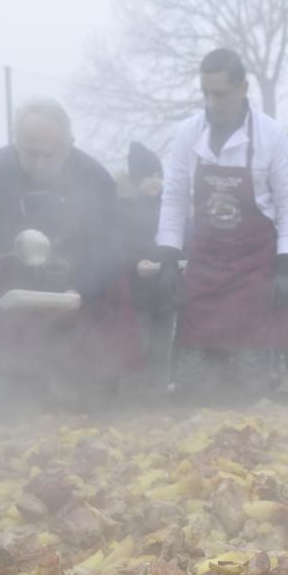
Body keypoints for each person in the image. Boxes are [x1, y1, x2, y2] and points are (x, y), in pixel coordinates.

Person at [0, 99, 139, 404]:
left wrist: (80, 290)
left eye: (50, 154)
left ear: (69, 145)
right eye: (31, 153)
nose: (41, 163)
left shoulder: (95, 178)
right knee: (23, 405)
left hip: (85, 306)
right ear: (16, 142)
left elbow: (109, 248)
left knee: (92, 410)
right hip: (19, 309)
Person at [156, 49, 288, 401]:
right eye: (205, 92)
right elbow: (175, 198)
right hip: (205, 265)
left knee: (248, 376)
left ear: (243, 88)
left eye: (220, 93)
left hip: (253, 268)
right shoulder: (187, 133)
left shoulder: (270, 135)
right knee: (193, 376)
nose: (212, 101)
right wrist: (167, 258)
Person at [120, 141, 179, 395]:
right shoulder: (123, 210)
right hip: (137, 296)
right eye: (148, 176)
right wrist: (135, 265)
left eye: (158, 175)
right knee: (137, 349)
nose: (156, 181)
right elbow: (117, 249)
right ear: (136, 179)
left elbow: (178, 243)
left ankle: (157, 402)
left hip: (165, 295)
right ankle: (131, 402)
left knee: (161, 351)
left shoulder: (171, 210)